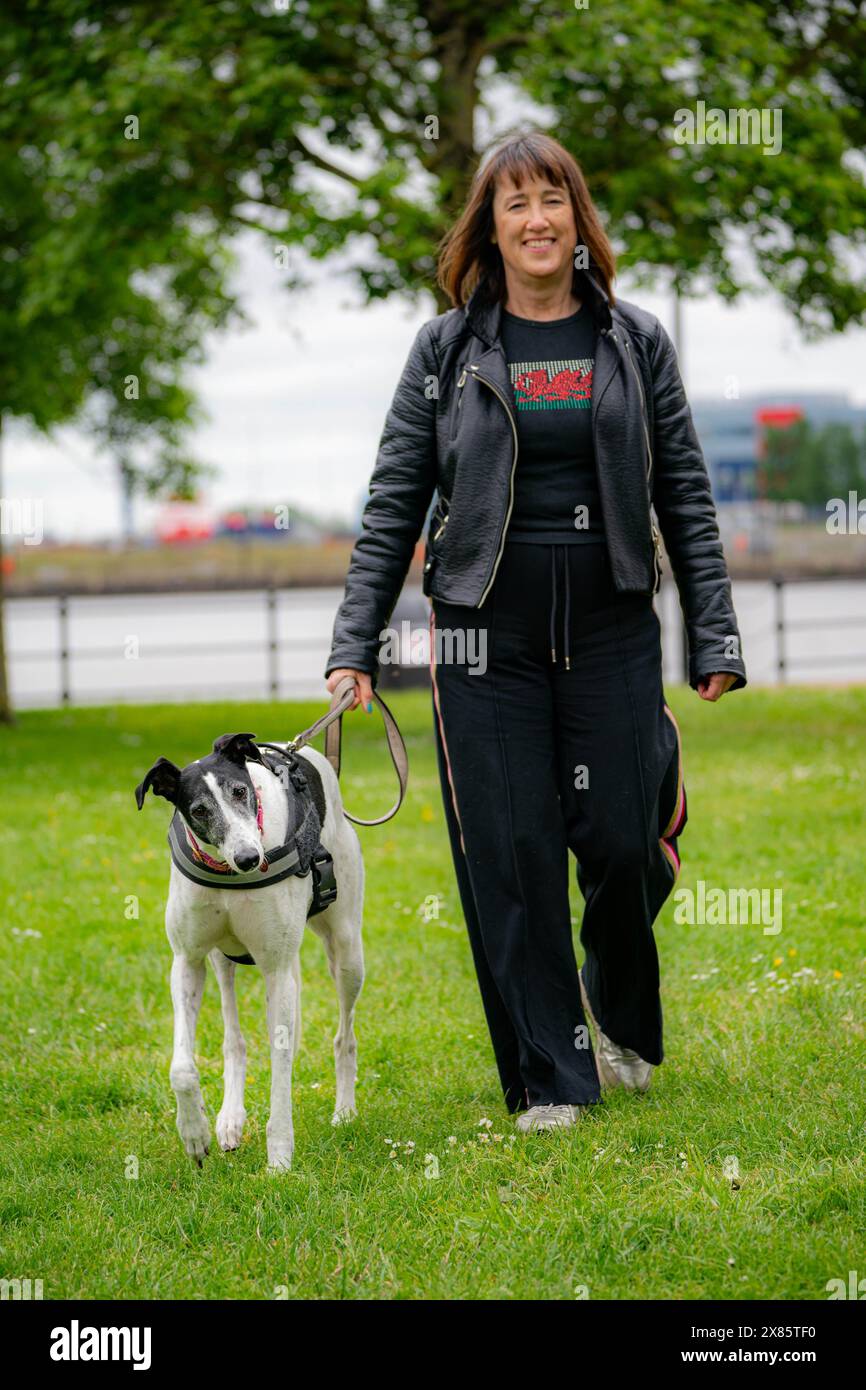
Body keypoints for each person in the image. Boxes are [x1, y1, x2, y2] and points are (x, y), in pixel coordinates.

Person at [324, 131, 746, 1133]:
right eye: (512, 203)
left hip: (608, 626)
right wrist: (355, 643)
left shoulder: (632, 341)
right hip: (481, 638)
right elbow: (394, 497)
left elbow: (681, 486)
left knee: (618, 841)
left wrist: (712, 634)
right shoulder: (445, 349)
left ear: (577, 217)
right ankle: (550, 1075)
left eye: (550, 197)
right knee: (508, 853)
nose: (535, 218)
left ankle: (620, 1000)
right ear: (490, 227)